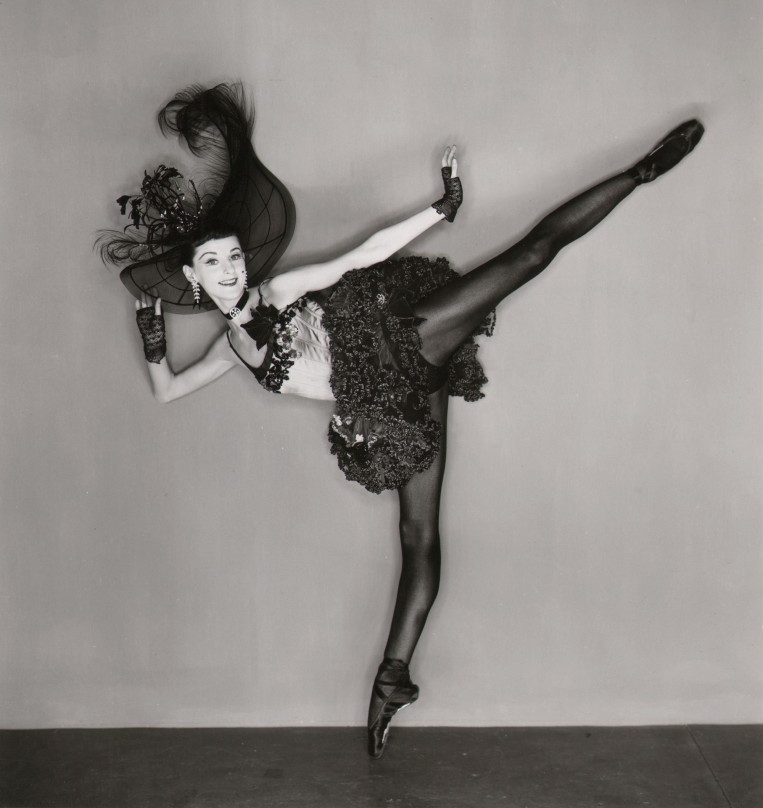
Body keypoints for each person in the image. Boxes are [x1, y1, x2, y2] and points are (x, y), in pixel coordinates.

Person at [99, 83, 704, 757]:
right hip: (396, 408)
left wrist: (438, 210)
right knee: (417, 535)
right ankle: (393, 680)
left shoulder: (277, 292)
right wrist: (153, 340)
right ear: (193, 276)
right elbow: (169, 391)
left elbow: (358, 258)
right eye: (214, 263)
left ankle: (640, 171)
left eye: (234, 256)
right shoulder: (229, 352)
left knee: (529, 256)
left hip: (406, 342)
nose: (231, 270)